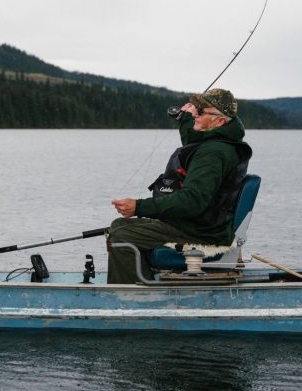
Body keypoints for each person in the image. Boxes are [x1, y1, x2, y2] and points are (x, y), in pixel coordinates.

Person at [107, 88, 252, 284]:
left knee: (122, 234)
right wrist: (185, 118)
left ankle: (134, 296)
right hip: (201, 224)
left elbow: (191, 202)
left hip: (200, 231)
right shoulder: (220, 140)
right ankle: (144, 281)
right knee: (118, 226)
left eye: (200, 111)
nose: (195, 114)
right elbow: (193, 144)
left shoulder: (214, 153)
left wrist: (139, 207)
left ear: (219, 121)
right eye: (196, 109)